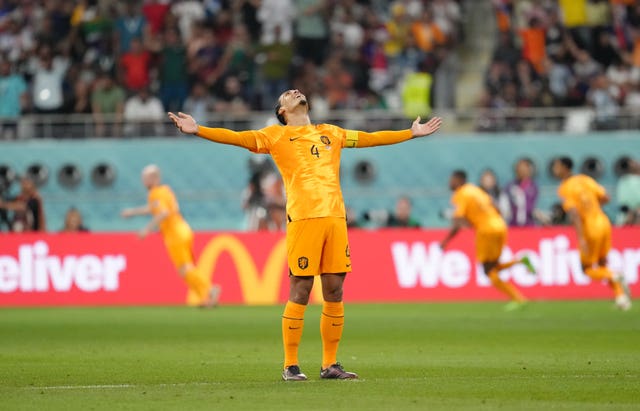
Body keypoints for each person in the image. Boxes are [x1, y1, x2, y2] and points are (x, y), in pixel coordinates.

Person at [168, 89, 442, 381]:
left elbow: (370, 138)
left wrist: (409, 133)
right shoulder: (274, 136)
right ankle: (290, 365)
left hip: (335, 218)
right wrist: (199, 130)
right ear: (282, 111)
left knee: (335, 290)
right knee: (301, 289)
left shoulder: (331, 133)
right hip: (304, 218)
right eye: (288, 94)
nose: (296, 92)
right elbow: (237, 137)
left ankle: (330, 364)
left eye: (297, 91)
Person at [121, 165, 221, 308]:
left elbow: (163, 213)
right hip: (183, 229)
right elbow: (153, 208)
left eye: (145, 178)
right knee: (187, 268)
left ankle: (210, 290)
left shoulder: (155, 193)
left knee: (185, 268)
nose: (143, 181)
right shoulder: (165, 191)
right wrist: (132, 212)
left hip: (174, 234)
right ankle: (205, 298)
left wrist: (146, 229)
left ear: (153, 178)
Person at [439, 170, 534, 310]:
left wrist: (445, 241)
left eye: (451, 180)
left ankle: (518, 299)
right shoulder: (476, 190)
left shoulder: (461, 194)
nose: (449, 183)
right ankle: (521, 261)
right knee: (493, 266)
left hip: (486, 230)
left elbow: (458, 221)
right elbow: (495, 207)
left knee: (487, 270)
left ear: (458, 180)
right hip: (500, 225)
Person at [552, 157, 632, 310]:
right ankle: (621, 298)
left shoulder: (565, 187)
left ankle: (614, 275)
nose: (555, 170)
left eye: (556, 166)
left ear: (564, 167)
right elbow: (606, 197)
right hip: (603, 222)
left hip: (590, 229)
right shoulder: (585, 179)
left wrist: (581, 237)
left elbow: (574, 214)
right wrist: (592, 207)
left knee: (587, 269)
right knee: (602, 264)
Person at [504, 158, 539, 227]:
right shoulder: (510, 186)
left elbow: (530, 206)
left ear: (529, 170)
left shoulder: (533, 186)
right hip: (513, 223)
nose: (521, 171)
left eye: (524, 169)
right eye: (519, 169)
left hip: (528, 223)